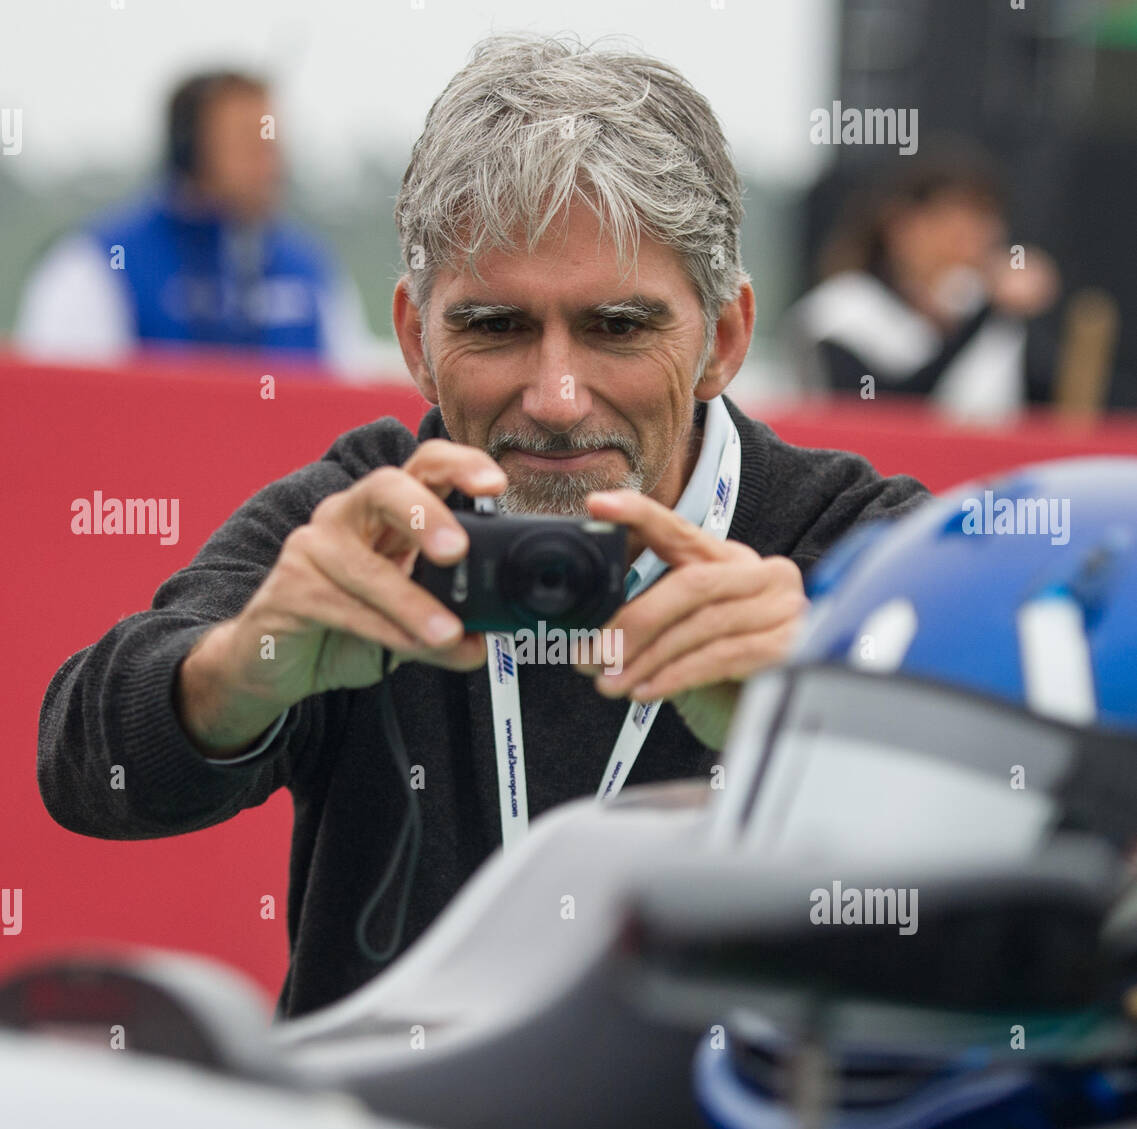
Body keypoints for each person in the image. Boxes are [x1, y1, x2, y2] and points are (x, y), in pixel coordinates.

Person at [36, 33, 929, 1020]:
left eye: (617, 327)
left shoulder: (865, 546)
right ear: (416, 337)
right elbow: (84, 764)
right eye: (496, 326)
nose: (553, 396)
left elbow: (1069, 876)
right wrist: (244, 669)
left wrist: (827, 729)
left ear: (721, 339)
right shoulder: (370, 516)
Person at [13, 69, 384, 380]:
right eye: (247, 142)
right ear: (187, 149)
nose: (268, 160)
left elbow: (350, 388)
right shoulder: (98, 263)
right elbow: (64, 405)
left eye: (271, 140)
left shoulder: (311, 268)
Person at [783, 147, 1061, 420]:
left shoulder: (993, 318)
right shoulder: (843, 310)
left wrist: (1031, 314)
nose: (967, 244)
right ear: (900, 226)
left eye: (981, 224)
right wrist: (988, 311)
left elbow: (1054, 408)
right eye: (949, 223)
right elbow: (883, 410)